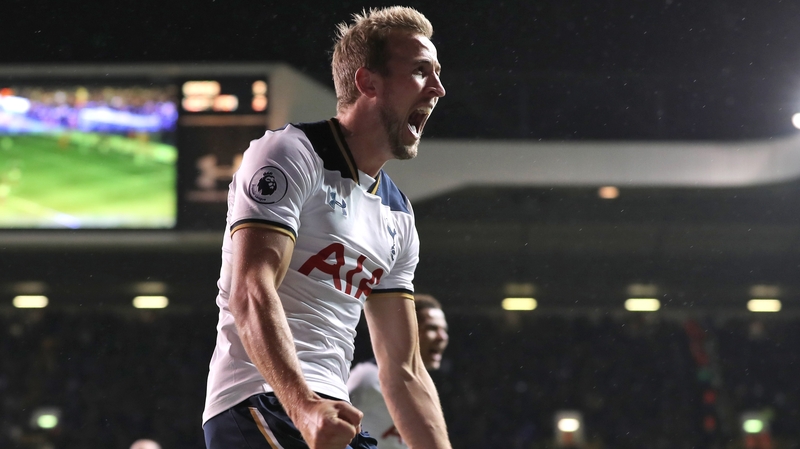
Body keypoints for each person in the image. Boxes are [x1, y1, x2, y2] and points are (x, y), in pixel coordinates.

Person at [202, 6, 450, 449]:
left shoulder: (398, 216)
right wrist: (304, 408)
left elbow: (405, 371)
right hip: (261, 401)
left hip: (332, 415)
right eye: (420, 71)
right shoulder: (290, 152)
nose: (438, 88)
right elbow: (250, 290)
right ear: (367, 82)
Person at [348, 294, 449, 449]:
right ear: (408, 330)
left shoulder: (421, 386)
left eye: (444, 330)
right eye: (432, 328)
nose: (442, 337)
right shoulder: (369, 377)